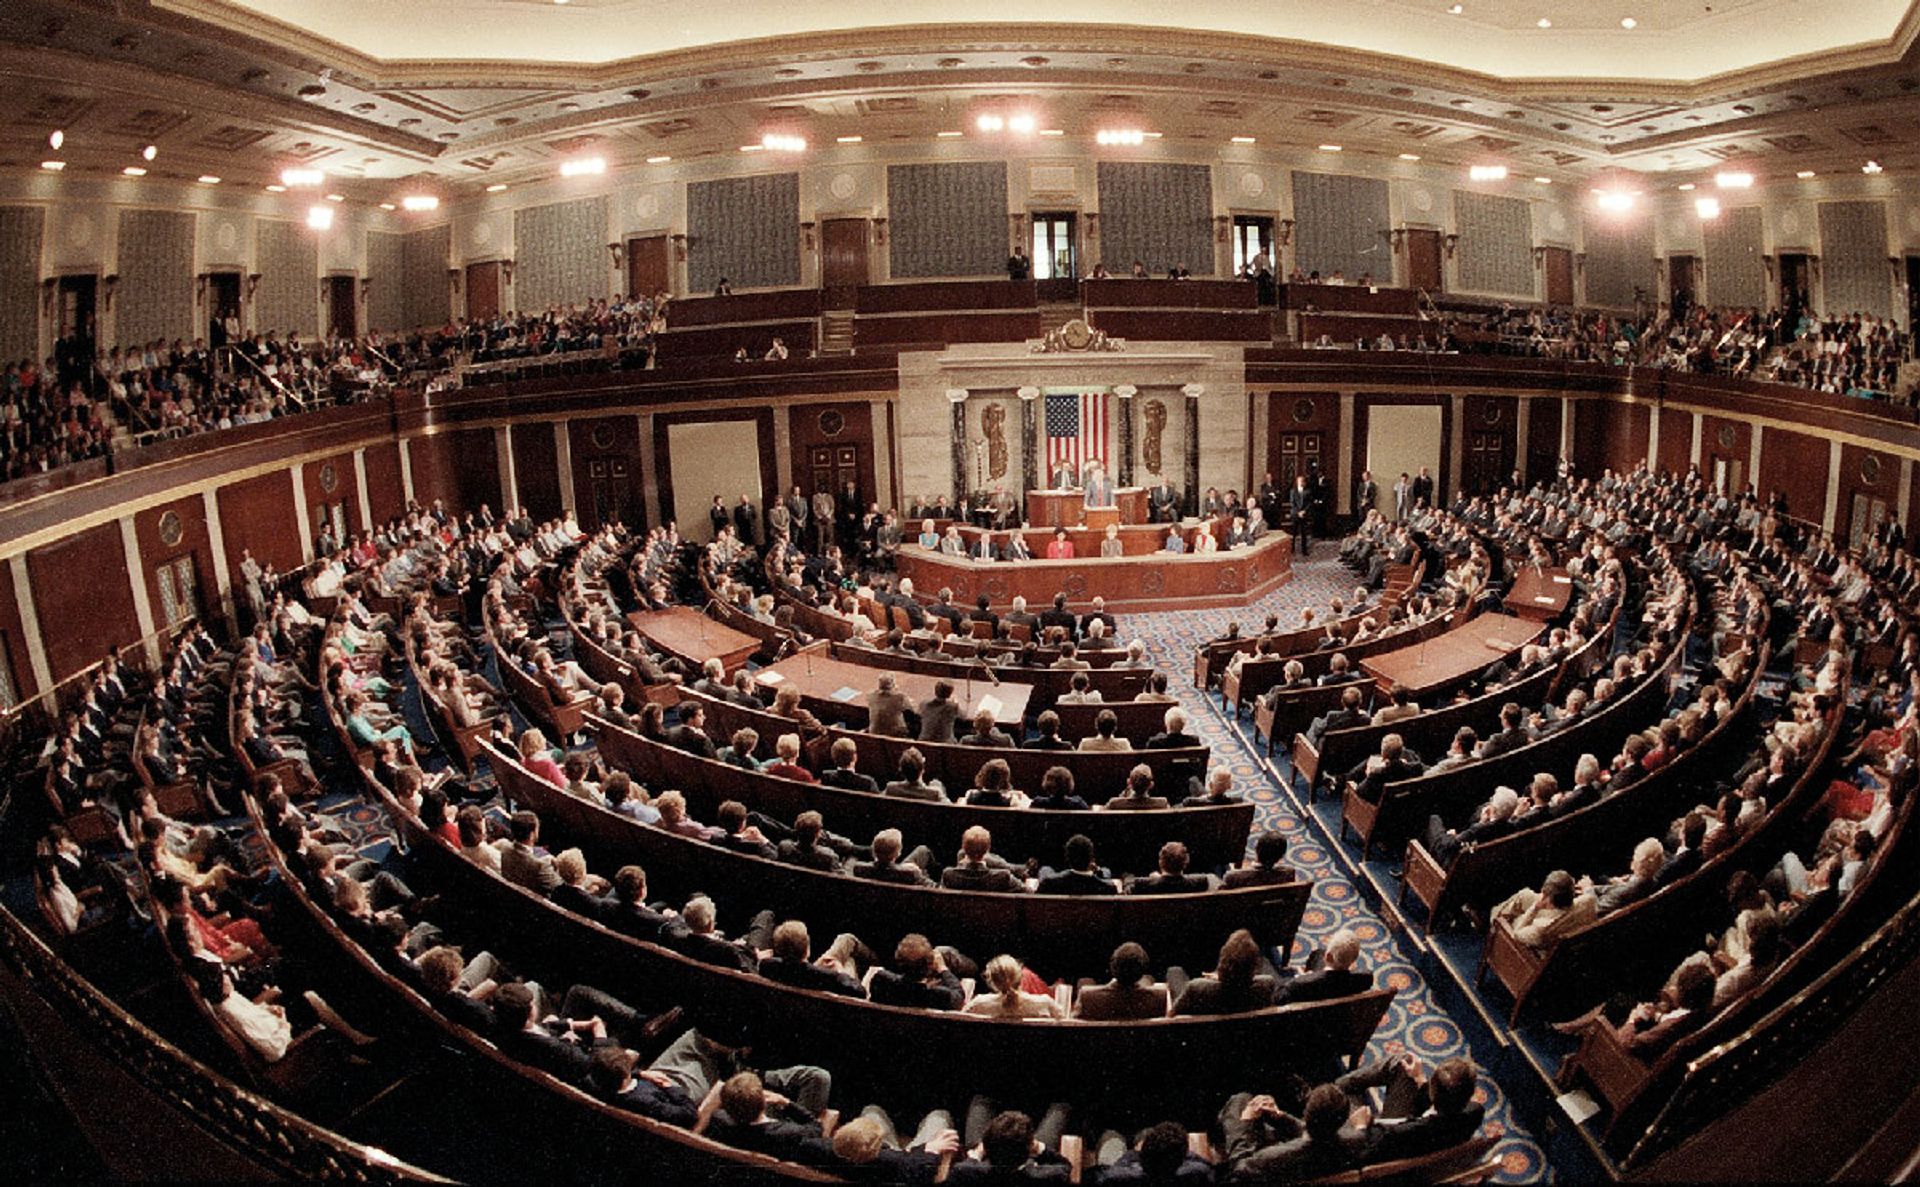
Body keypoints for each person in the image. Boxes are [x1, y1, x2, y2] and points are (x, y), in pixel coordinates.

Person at [1074, 942, 1169, 1021]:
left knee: (1085, 981)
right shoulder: (1160, 998)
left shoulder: (1086, 998)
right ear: (1143, 970)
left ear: (1112, 967)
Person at [1274, 928, 1372, 1004]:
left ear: (1328, 956)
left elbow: (1278, 998)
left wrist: (1303, 977)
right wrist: (1312, 975)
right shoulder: (1364, 979)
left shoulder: (1298, 984)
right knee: (1318, 954)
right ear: (1354, 959)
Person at [963, 955, 1063, 1019]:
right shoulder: (1045, 1004)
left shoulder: (978, 1004)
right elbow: (1064, 1025)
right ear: (1021, 976)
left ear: (992, 981)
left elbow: (960, 1022)